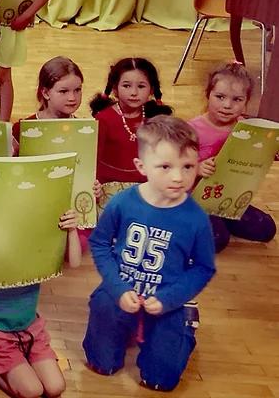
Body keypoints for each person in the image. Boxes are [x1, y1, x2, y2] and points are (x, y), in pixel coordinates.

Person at [83, 116, 216, 392]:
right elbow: (100, 244)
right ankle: (126, 328)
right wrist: (117, 288)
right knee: (101, 363)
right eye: (165, 166)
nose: (178, 177)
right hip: (122, 291)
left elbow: (204, 267)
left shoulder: (196, 219)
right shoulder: (122, 202)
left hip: (167, 300)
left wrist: (170, 299)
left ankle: (183, 329)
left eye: (188, 166)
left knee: (160, 380)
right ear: (141, 166)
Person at [0, 208, 81, 398]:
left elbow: (75, 262)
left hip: (29, 327)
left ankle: (19, 362)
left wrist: (72, 230)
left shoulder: (39, 228)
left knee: (56, 387)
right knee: (33, 390)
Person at [189, 63, 276, 251]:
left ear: (246, 101)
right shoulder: (191, 129)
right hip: (195, 199)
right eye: (220, 97)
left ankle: (220, 221)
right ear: (208, 94)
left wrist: (268, 152)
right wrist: (196, 168)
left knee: (267, 228)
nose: (227, 105)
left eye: (237, 99)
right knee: (217, 239)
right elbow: (173, 166)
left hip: (229, 198)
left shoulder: (247, 129)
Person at [89, 57, 173, 210]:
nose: (134, 93)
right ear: (115, 89)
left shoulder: (156, 119)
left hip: (147, 187)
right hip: (109, 189)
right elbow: (93, 158)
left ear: (151, 90)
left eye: (141, 86)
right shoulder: (104, 119)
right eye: (126, 86)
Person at [13, 56, 84, 140]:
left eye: (77, 90)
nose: (72, 98)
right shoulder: (22, 130)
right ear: (46, 93)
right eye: (63, 91)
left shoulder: (84, 130)